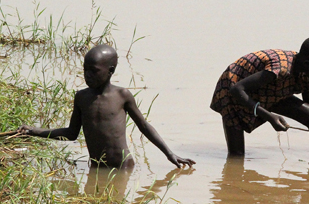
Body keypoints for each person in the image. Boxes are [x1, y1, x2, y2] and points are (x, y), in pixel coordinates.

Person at [19, 44, 195, 169]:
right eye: (85, 69)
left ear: (110, 71)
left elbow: (144, 126)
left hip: (122, 167)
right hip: (96, 167)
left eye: (94, 71)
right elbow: (71, 133)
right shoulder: (81, 97)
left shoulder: (122, 95)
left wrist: (169, 153)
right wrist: (33, 131)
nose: (88, 75)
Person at [210, 35, 309, 156]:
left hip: (270, 91)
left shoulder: (308, 77)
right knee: (237, 155)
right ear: (307, 63)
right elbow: (237, 90)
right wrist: (269, 116)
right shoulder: (280, 69)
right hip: (233, 88)